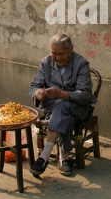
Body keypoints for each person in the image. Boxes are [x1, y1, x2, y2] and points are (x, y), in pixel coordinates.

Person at [29, 33, 96, 177]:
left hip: (78, 108)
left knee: (63, 106)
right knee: (64, 113)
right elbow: (34, 86)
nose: (57, 58)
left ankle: (44, 157)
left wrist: (61, 94)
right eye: (54, 53)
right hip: (53, 109)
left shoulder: (81, 64)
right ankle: (63, 157)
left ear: (71, 50)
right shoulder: (46, 62)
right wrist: (38, 93)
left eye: (61, 54)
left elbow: (85, 95)